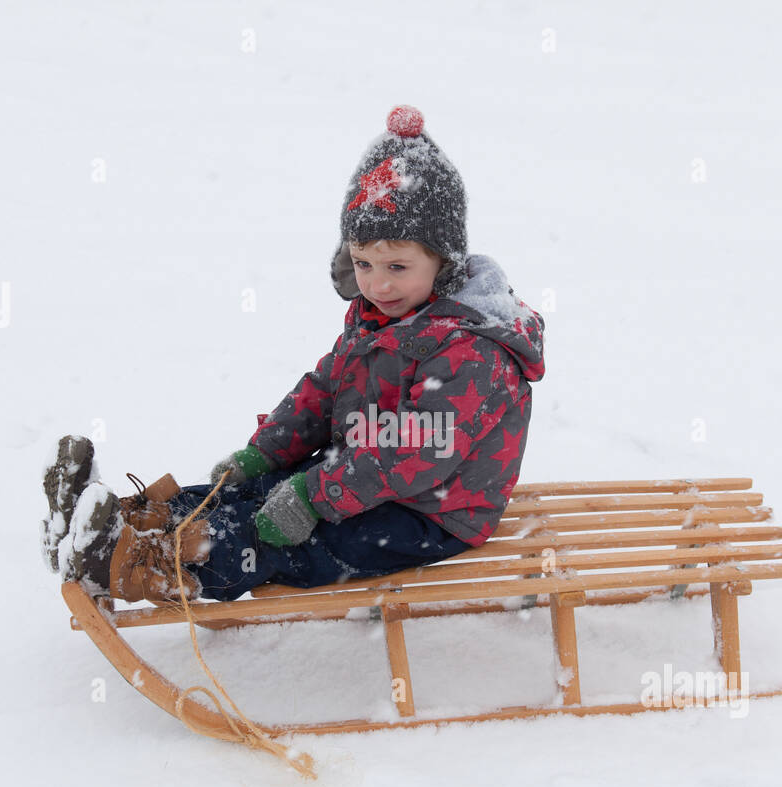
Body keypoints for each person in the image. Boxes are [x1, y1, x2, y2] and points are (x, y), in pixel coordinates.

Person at [42, 105, 546, 603]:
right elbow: (326, 390)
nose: (376, 283)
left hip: (431, 512)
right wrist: (265, 453)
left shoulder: (473, 351)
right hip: (360, 470)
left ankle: (150, 569)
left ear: (446, 260)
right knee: (256, 494)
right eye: (363, 263)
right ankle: (118, 526)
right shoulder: (382, 316)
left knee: (288, 535)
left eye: (397, 265)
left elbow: (415, 453)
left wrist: (315, 495)